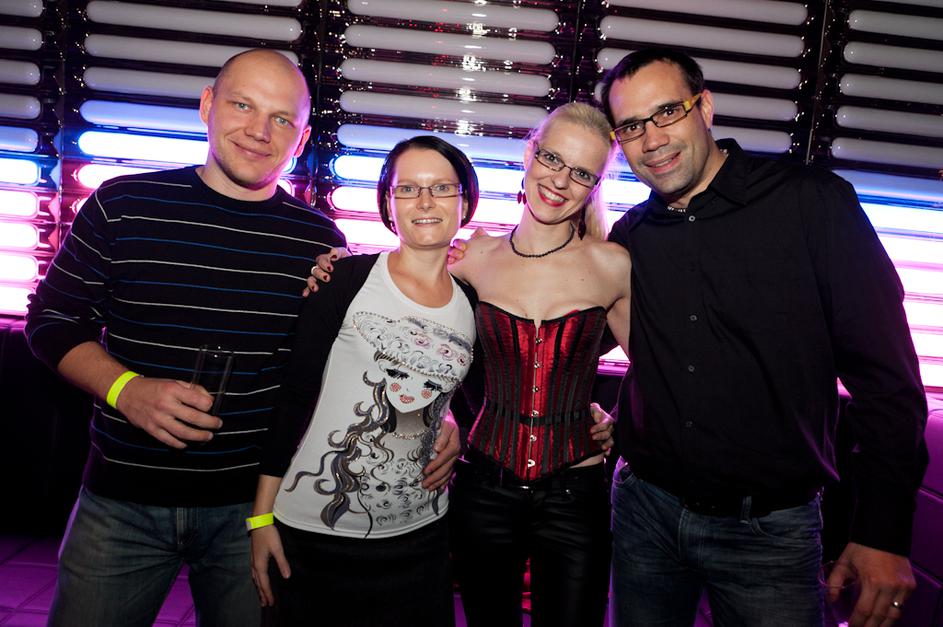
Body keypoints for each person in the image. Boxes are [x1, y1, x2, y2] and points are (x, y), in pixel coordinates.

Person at [24, 50, 458, 626]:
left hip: (253, 511)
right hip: (122, 504)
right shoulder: (122, 205)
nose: (259, 131)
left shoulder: (319, 242)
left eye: (282, 119)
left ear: (301, 140)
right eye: (243, 105)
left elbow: (350, 363)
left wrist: (436, 416)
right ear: (207, 105)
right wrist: (127, 390)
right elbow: (51, 321)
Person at [599, 47, 928, 627]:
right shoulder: (632, 236)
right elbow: (563, 337)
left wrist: (882, 530)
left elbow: (887, 378)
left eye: (667, 112)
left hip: (770, 533)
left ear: (705, 107)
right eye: (631, 126)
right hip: (645, 513)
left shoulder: (809, 203)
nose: (651, 140)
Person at [312, 102, 630, 627]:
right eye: (552, 158)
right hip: (484, 490)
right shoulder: (472, 258)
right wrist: (339, 269)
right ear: (529, 154)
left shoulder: (612, 265)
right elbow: (408, 313)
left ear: (595, 185)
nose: (559, 180)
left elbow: (662, 370)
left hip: (577, 497)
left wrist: (621, 420)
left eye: (581, 173)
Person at [248, 136, 480, 627]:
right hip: (313, 536)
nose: (425, 201)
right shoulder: (345, 279)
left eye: (442, 187)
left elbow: (472, 399)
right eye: (407, 189)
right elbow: (294, 397)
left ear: (465, 201)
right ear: (387, 204)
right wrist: (261, 518)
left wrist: (455, 425)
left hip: (422, 538)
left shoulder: (473, 301)